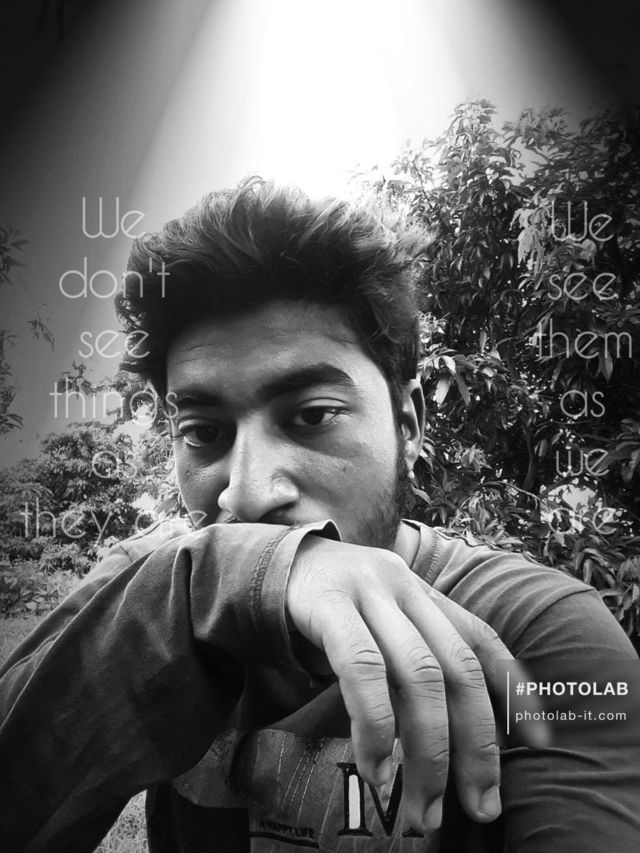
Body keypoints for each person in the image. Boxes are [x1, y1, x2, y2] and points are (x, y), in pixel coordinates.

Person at [1, 178, 638, 853]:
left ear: (408, 424)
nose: (247, 495)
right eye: (204, 432)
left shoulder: (533, 632)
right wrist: (216, 584)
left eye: (311, 416)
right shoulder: (158, 585)